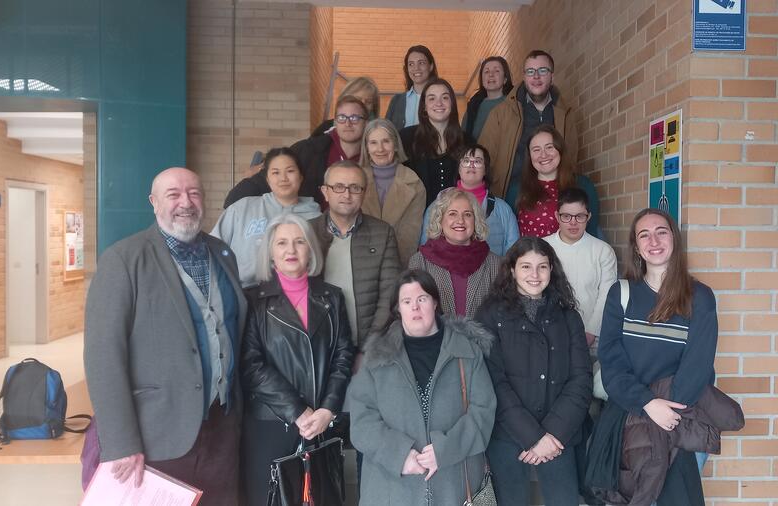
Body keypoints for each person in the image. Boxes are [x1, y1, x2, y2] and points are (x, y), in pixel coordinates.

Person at [83, 168, 247, 505]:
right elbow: (103, 356)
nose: (185, 202)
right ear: (154, 202)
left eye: (194, 193)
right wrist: (122, 443)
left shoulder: (223, 253)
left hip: (222, 427)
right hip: (157, 432)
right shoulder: (123, 260)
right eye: (174, 194)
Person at [598, 208, 719, 504]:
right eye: (644, 235)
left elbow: (698, 365)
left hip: (680, 420)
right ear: (636, 247)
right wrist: (647, 403)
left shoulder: (698, 297)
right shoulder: (622, 294)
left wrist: (668, 413)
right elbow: (611, 361)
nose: (654, 240)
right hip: (629, 417)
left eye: (661, 232)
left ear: (674, 239)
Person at [346, 269, 496, 506]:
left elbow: (483, 410)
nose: (415, 307)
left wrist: (445, 450)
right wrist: (399, 455)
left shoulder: (467, 351)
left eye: (422, 299)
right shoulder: (376, 358)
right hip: (391, 490)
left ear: (435, 302)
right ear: (398, 309)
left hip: (454, 487)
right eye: (407, 301)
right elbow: (362, 422)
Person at [240, 212, 355, 506]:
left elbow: (343, 357)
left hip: (320, 425)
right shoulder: (253, 300)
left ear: (310, 250)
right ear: (270, 252)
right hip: (271, 424)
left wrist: (328, 409)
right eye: (281, 243)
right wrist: (297, 411)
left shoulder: (332, 298)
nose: (290, 250)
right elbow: (251, 364)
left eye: (299, 242)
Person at [475, 237, 593, 506]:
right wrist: (533, 437)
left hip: (559, 436)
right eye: (526, 266)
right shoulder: (490, 315)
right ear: (512, 270)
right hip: (507, 433)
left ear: (552, 270)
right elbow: (492, 381)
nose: (535, 274)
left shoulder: (568, 316)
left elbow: (581, 380)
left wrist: (550, 436)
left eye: (542, 266)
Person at [309, 160, 401, 350]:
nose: (347, 194)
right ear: (325, 192)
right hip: (318, 346)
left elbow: (389, 295)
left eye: (355, 188)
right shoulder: (307, 232)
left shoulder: (383, 233)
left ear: (364, 193)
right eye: (339, 187)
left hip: (365, 348)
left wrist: (368, 348)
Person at [223, 95, 369, 208]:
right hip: (313, 229)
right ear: (335, 121)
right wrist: (236, 204)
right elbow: (268, 178)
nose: (348, 123)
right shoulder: (308, 151)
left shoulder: (374, 156)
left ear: (366, 122)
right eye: (342, 117)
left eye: (355, 118)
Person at [211, 146, 321, 287]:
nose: (283, 178)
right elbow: (212, 249)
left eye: (290, 171)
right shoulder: (242, 208)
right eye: (276, 172)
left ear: (300, 177)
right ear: (267, 179)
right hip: (243, 294)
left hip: (292, 298)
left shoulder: (316, 218)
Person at [478, 49, 579, 197]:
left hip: (553, 197)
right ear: (524, 77)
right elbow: (484, 158)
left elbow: (571, 160)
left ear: (552, 76)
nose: (536, 76)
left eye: (542, 70)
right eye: (530, 71)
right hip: (510, 196)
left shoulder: (565, 114)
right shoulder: (501, 113)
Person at [409, 188, 499, 319]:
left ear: (475, 220)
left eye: (467, 214)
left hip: (482, 339)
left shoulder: (495, 264)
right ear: (440, 220)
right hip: (436, 339)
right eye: (452, 214)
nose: (460, 220)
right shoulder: (419, 262)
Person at [543, 187, 616, 345]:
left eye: (580, 216)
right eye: (566, 216)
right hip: (549, 335)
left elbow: (607, 295)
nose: (573, 222)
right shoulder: (543, 247)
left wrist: (591, 331)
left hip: (592, 336)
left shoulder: (603, 250)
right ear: (557, 216)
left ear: (588, 216)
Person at [419, 143, 519, 256]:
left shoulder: (503, 210)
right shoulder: (437, 206)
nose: (471, 165)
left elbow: (513, 253)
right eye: (466, 161)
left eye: (477, 161)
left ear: (485, 170)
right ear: (459, 169)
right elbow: (425, 247)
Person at [506, 124, 599, 238]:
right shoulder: (517, 189)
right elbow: (510, 235)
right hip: (531, 254)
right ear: (529, 156)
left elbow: (592, 231)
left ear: (560, 150)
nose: (543, 154)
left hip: (574, 255)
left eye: (549, 147)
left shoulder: (582, 185)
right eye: (536, 150)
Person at [359, 118, 426, 266]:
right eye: (373, 143)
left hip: (397, 265)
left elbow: (409, 237)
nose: (380, 149)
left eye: (386, 141)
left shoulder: (414, 184)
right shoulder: (354, 181)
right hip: (359, 263)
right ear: (366, 147)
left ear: (395, 145)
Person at [400, 78, 475, 207]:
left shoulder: (467, 141)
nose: (439, 103)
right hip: (416, 218)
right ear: (424, 106)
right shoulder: (406, 138)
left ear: (452, 104)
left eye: (445, 98)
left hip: (457, 218)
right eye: (432, 98)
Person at [385, 45, 438, 129]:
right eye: (411, 64)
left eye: (421, 63)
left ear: (431, 66)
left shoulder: (440, 99)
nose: (416, 68)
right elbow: (387, 132)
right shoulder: (396, 100)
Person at [462, 56, 513, 141]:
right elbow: (463, 137)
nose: (491, 74)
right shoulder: (473, 106)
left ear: (505, 79)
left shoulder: (513, 105)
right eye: (486, 72)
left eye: (496, 71)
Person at [312, 76, 381, 137]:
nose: (362, 105)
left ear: (373, 107)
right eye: (358, 99)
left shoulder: (380, 133)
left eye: (368, 102)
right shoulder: (325, 129)